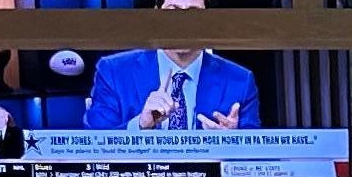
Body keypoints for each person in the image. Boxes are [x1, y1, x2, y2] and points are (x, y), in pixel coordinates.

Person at [86, 36, 261, 133]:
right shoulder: (114, 71)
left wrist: (234, 142)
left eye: (193, 11)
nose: (182, 23)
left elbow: (257, 157)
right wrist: (140, 125)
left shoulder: (240, 80)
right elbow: (93, 144)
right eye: (173, 10)